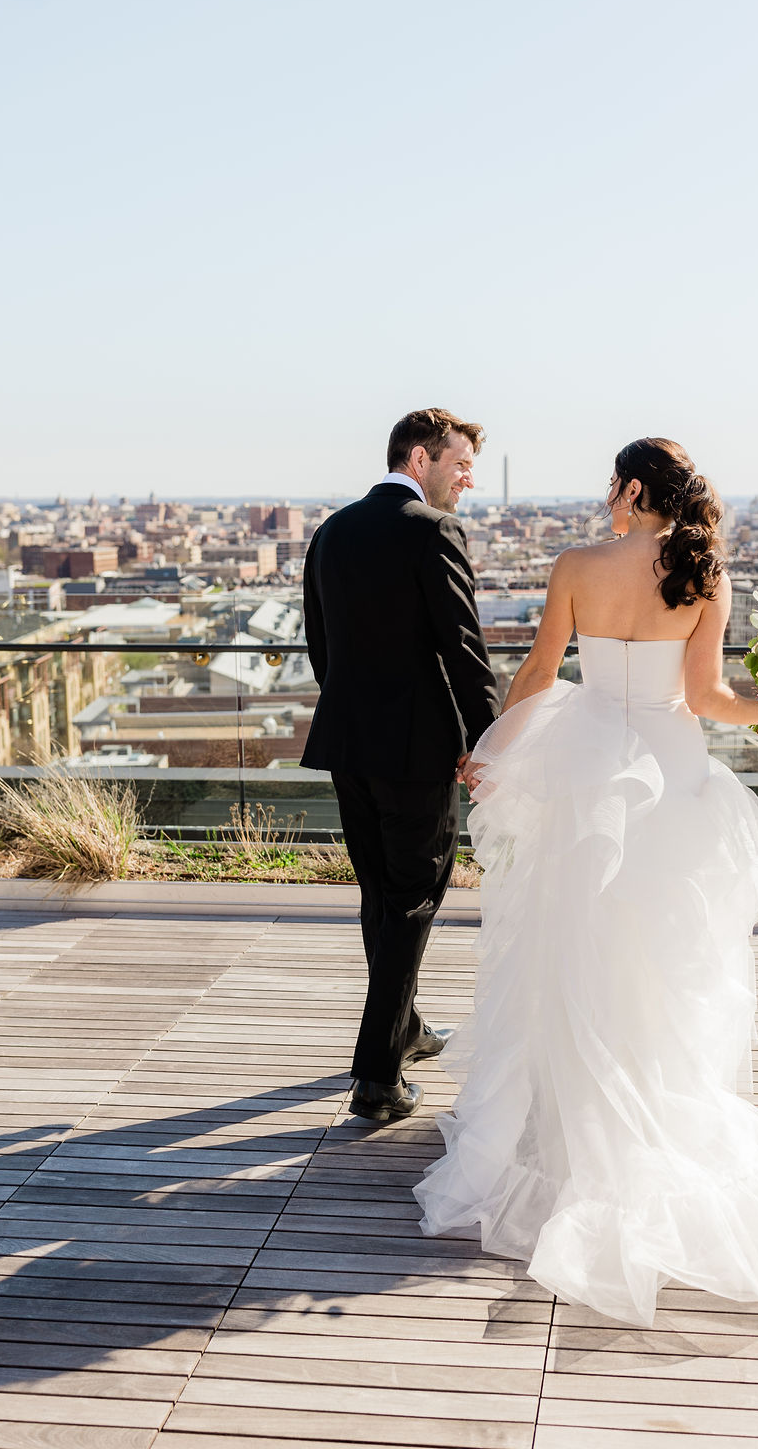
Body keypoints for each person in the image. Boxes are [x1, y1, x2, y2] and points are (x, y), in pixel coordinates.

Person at [414, 437, 758, 1325]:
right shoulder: (706, 573)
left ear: (630, 488)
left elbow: (541, 673)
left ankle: (567, 1119)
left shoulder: (576, 565)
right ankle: (650, 1110)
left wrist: (492, 750)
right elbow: (706, 699)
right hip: (672, 778)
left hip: (587, 774)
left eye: (610, 486)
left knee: (571, 946)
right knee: (668, 963)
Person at [301, 409, 500, 1124]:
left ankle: (406, 1027)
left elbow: (321, 648)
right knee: (416, 898)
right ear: (420, 458)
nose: (468, 478)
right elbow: (462, 650)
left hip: (347, 744)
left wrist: (357, 716)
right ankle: (378, 1078)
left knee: (381, 896)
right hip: (416, 751)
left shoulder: (332, 530)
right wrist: (491, 743)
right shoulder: (433, 530)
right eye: (460, 464)